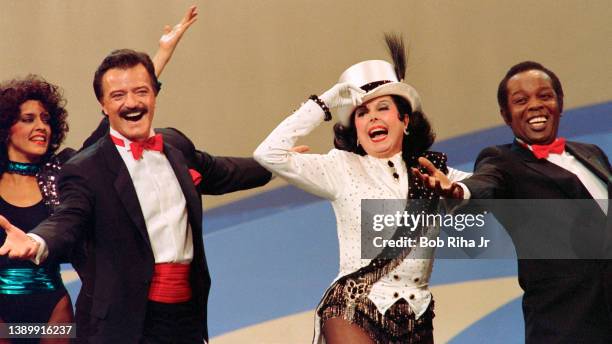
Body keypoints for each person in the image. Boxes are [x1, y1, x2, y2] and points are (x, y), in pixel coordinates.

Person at [0, 7, 198, 344]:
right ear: (7, 127)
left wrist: (162, 54)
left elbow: (117, 119)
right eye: (29, 119)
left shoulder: (66, 168)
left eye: (46, 119)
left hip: (53, 311)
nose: (40, 127)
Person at [254, 35, 470, 344]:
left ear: (404, 119)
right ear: (355, 128)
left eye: (383, 108)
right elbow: (268, 154)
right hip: (353, 307)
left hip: (418, 318)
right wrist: (324, 103)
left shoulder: (434, 172)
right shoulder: (340, 167)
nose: (372, 118)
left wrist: (462, 192)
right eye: (361, 112)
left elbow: (495, 193)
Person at [414, 61, 611, 343]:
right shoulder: (503, 161)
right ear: (506, 116)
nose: (535, 105)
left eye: (545, 96)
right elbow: (485, 183)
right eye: (521, 100)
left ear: (560, 104)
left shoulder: (592, 154)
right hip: (565, 321)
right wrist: (459, 191)